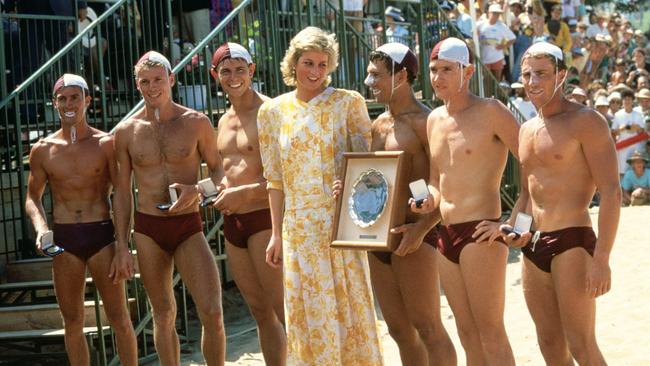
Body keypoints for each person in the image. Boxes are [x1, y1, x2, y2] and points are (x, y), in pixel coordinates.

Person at [474, 41, 620, 365]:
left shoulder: (586, 121)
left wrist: (602, 259)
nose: (532, 82)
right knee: (550, 345)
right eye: (526, 74)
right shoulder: (526, 129)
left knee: (581, 344)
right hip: (533, 247)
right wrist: (514, 229)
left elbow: (611, 191)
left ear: (562, 75)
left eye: (541, 74)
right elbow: (527, 196)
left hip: (572, 240)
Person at [257, 27, 383, 365]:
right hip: (297, 229)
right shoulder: (272, 112)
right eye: (308, 63)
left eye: (323, 64)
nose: (315, 72)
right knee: (306, 314)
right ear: (293, 63)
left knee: (347, 308)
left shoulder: (348, 103)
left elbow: (368, 167)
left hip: (339, 225)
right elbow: (275, 179)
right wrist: (275, 234)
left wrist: (350, 183)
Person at [343, 42, 457, 365]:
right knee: (399, 331)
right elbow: (375, 181)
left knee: (429, 328)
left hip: (415, 235)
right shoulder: (378, 125)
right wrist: (348, 188)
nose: (369, 83)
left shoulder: (428, 121)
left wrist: (421, 229)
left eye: (376, 75)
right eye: (369, 75)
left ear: (402, 75)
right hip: (379, 238)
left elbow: (446, 185)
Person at [113, 51, 225, 366]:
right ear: (137, 85)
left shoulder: (196, 122)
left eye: (158, 80)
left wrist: (198, 191)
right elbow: (121, 192)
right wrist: (122, 243)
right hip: (148, 229)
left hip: (188, 225)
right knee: (162, 315)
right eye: (145, 82)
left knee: (213, 312)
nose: (152, 87)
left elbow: (219, 172)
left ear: (171, 79)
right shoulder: (125, 131)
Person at [412, 37, 520, 365]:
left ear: (468, 71)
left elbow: (535, 168)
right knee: (466, 332)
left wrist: (515, 224)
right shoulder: (434, 120)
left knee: (490, 331)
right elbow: (435, 179)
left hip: (481, 232)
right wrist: (426, 200)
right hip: (446, 233)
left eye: (446, 69)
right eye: (433, 70)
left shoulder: (491, 111)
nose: (438, 77)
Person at [25, 74, 137, 366]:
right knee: (72, 323)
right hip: (64, 240)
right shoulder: (42, 149)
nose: (68, 103)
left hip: (101, 235)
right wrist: (41, 229)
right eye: (62, 98)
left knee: (120, 319)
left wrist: (123, 245)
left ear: (88, 100)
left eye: (75, 97)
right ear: (54, 103)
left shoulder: (106, 144)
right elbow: (31, 197)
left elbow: (123, 194)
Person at [208, 43, 286, 365]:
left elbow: (290, 177)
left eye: (240, 69)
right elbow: (228, 172)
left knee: (285, 311)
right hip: (234, 225)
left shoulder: (271, 111)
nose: (233, 77)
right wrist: (219, 188)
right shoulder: (223, 120)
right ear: (216, 76)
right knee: (260, 312)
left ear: (252, 70)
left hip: (265, 220)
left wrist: (245, 193)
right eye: (226, 71)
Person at [477, 3, 516, 81]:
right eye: (494, 13)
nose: (496, 15)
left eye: (498, 13)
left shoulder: (502, 26)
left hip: (498, 58)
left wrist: (503, 46)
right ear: (488, 13)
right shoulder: (480, 24)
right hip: (484, 58)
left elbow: (513, 38)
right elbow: (472, 34)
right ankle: (488, 93)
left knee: (497, 80)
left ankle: (496, 93)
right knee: (486, 80)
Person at [611, 89, 646, 175]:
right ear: (622, 101)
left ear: (632, 101)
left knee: (636, 171)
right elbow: (613, 132)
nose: (627, 101)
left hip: (636, 147)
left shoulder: (639, 114)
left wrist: (636, 127)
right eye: (625, 99)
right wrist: (621, 129)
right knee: (622, 171)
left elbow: (642, 131)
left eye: (629, 99)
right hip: (623, 147)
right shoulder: (618, 114)